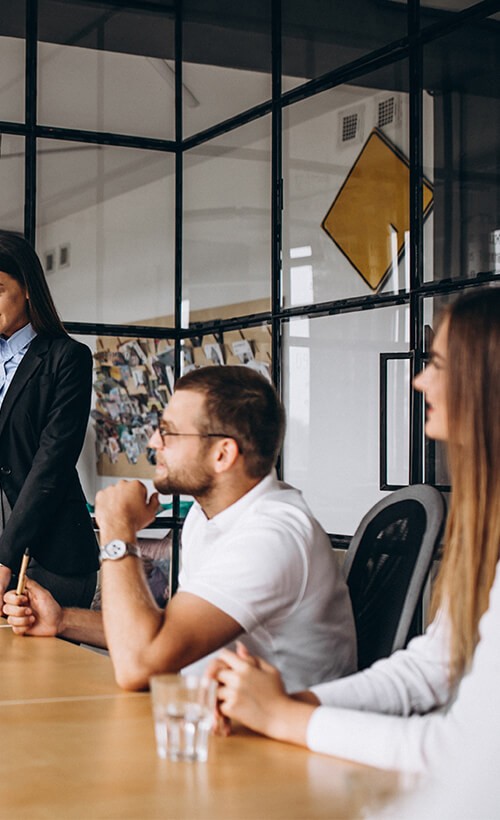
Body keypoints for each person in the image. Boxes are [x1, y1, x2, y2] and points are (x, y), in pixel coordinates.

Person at [210, 287, 500, 777]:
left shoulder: (276, 527)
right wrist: (286, 704)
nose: (419, 380)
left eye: (440, 365)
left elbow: (465, 755)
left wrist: (284, 716)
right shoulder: (486, 523)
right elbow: (428, 669)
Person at [3, 365, 356, 692]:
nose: (154, 443)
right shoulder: (207, 517)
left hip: (273, 746)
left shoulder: (271, 536)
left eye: (169, 432)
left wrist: (117, 531)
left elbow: (138, 665)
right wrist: (62, 620)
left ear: (223, 454)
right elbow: (164, 634)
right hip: (211, 721)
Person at [0, 231, 98, 607]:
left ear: (27, 289)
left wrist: (4, 557)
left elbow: (51, 465)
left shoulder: (67, 359)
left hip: (50, 553)